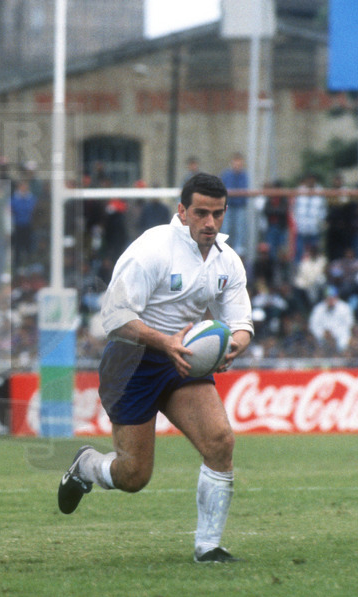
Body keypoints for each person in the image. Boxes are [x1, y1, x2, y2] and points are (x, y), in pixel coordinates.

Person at [57, 173, 253, 563]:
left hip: (184, 360)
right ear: (182, 212)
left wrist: (232, 347)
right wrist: (165, 342)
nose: (210, 222)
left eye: (217, 214)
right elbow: (113, 317)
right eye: (201, 213)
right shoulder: (152, 249)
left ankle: (208, 547)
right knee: (134, 476)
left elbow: (242, 323)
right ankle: (87, 465)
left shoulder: (227, 261)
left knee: (220, 441)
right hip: (132, 360)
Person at [219, 152, 249, 258]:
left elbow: (243, 191)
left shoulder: (245, 176)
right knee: (226, 227)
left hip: (240, 207)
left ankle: (238, 250)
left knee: (239, 228)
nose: (237, 165)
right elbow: (223, 189)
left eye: (239, 163)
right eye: (235, 163)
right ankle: (224, 247)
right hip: (228, 207)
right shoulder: (226, 175)